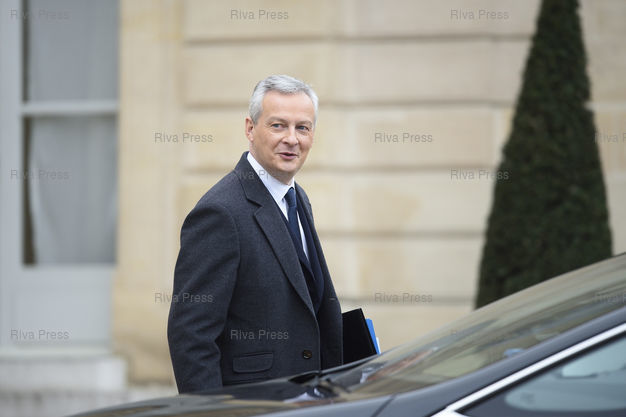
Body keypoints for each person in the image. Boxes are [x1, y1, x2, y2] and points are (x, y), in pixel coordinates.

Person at [167, 74, 343, 393]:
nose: (292, 139)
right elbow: (191, 337)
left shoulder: (298, 198)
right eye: (278, 125)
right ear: (250, 129)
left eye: (302, 127)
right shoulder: (220, 212)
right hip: (254, 404)